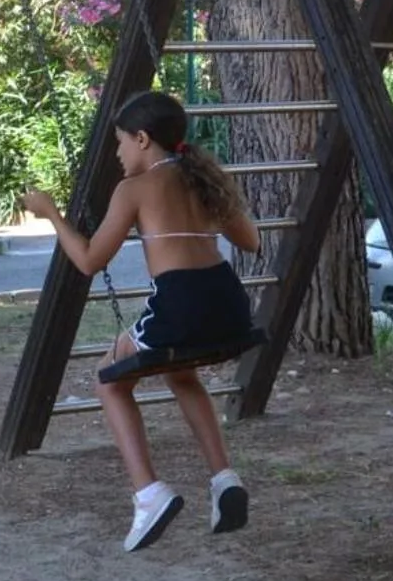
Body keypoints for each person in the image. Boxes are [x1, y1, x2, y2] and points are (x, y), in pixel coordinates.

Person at [22, 90, 260, 553]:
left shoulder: (134, 189)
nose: (117, 154)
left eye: (120, 143)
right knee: (180, 371)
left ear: (143, 139)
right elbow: (250, 240)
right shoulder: (202, 178)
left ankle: (149, 493)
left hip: (181, 303)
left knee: (108, 380)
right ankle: (224, 478)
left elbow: (89, 260)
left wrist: (51, 214)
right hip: (231, 305)